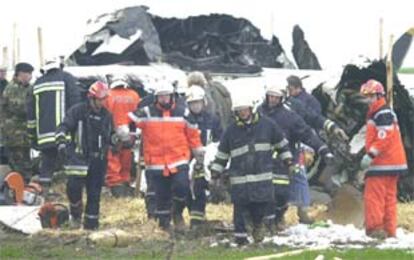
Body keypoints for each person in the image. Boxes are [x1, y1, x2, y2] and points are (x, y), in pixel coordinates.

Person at [210, 95, 293, 246]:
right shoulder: (231, 131)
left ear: (251, 109)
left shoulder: (268, 125)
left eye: (245, 110)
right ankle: (241, 239)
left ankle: (258, 228)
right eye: (239, 111)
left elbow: (281, 143)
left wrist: (288, 160)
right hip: (240, 180)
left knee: (259, 208)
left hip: (261, 178)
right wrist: (215, 172)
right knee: (240, 210)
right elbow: (222, 154)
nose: (242, 113)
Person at [128, 81, 203, 231]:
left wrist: (198, 152)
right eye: (161, 96)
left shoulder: (183, 113)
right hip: (156, 163)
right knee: (161, 196)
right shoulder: (147, 112)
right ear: (156, 98)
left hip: (179, 160)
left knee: (182, 188)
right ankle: (164, 226)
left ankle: (177, 213)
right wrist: (126, 133)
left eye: (166, 96)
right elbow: (128, 119)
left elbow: (193, 134)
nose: (164, 99)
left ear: (172, 96)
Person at [258, 84, 334, 227]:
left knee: (282, 193)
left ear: (282, 97)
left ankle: (280, 217)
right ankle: (264, 222)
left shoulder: (290, 116)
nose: (273, 100)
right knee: (262, 194)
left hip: (282, 163)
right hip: (262, 162)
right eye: (270, 96)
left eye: (276, 97)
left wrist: (323, 149)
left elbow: (307, 133)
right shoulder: (259, 113)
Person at [56, 81, 113, 230]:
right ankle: (75, 215)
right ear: (91, 98)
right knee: (73, 189)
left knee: (94, 194)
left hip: (98, 160)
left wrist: (119, 140)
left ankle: (91, 226)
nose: (102, 103)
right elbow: (64, 127)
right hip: (78, 158)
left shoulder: (106, 115)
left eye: (104, 99)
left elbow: (110, 137)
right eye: (100, 99)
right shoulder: (77, 111)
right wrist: (61, 142)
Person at [359, 79, 407, 239]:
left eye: (370, 96)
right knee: (389, 198)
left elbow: (384, 136)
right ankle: (389, 230)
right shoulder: (383, 111)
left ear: (379, 95)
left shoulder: (381, 112)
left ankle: (375, 229)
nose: (367, 100)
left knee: (373, 197)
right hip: (394, 163)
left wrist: (370, 155)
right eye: (366, 96)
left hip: (382, 163)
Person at [27, 57, 81, 193]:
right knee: (70, 165)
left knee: (47, 164)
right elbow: (76, 107)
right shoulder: (67, 79)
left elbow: (31, 113)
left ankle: (45, 192)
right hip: (64, 135)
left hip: (44, 136)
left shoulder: (37, 84)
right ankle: (71, 192)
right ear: (60, 66)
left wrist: (32, 137)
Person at [185, 85, 222, 229]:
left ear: (204, 102)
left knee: (199, 187)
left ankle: (197, 220)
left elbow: (219, 139)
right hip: (186, 158)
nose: (196, 106)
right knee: (185, 189)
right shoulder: (185, 119)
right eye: (192, 103)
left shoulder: (212, 119)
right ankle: (192, 214)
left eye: (198, 102)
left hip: (205, 159)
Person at [104, 75, 140, 197]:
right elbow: (138, 116)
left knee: (113, 162)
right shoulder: (134, 95)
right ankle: (126, 185)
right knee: (127, 160)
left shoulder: (107, 95)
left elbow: (104, 116)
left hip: (113, 135)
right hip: (130, 134)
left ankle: (117, 189)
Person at [0, 63, 34, 182]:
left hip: (23, 135)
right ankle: (20, 191)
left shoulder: (27, 88)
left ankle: (26, 188)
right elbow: (19, 108)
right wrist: (35, 107)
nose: (30, 77)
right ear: (21, 74)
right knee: (19, 166)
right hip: (14, 135)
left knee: (26, 163)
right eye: (29, 74)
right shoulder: (12, 88)